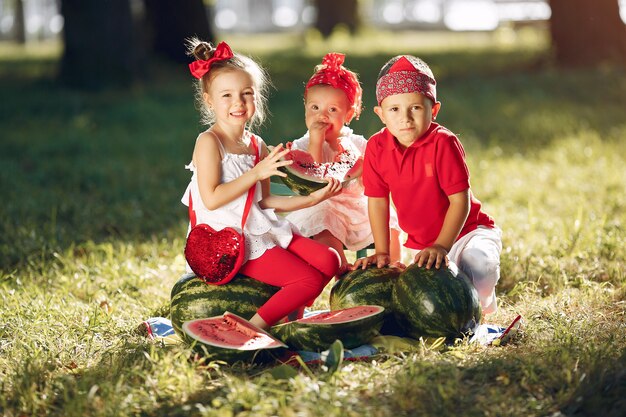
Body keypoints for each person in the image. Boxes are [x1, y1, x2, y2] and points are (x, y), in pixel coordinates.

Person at [181, 39, 342, 329]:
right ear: (209, 100)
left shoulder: (257, 145)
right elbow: (212, 198)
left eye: (246, 94)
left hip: (261, 229)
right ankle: (251, 327)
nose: (238, 103)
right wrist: (256, 173)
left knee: (330, 260)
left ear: (257, 98)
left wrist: (311, 199)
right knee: (308, 280)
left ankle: (288, 316)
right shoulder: (209, 142)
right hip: (230, 240)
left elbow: (264, 202)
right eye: (226, 95)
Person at [354, 55, 502, 315]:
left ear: (433, 110)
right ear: (380, 114)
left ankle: (483, 306)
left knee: (478, 264)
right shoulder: (377, 147)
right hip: (422, 246)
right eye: (395, 109)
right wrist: (381, 251)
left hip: (465, 233)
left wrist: (442, 246)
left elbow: (460, 201)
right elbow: (377, 200)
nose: (406, 118)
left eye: (416, 108)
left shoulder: (443, 143)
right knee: (424, 304)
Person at [284, 52, 401, 274]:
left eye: (333, 110)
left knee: (389, 219)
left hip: (358, 207)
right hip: (320, 205)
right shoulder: (302, 145)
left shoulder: (358, 144)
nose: (322, 115)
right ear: (305, 108)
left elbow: (372, 186)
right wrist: (316, 143)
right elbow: (315, 177)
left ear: (348, 114)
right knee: (325, 222)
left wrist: (363, 169)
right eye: (314, 108)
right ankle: (339, 269)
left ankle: (392, 268)